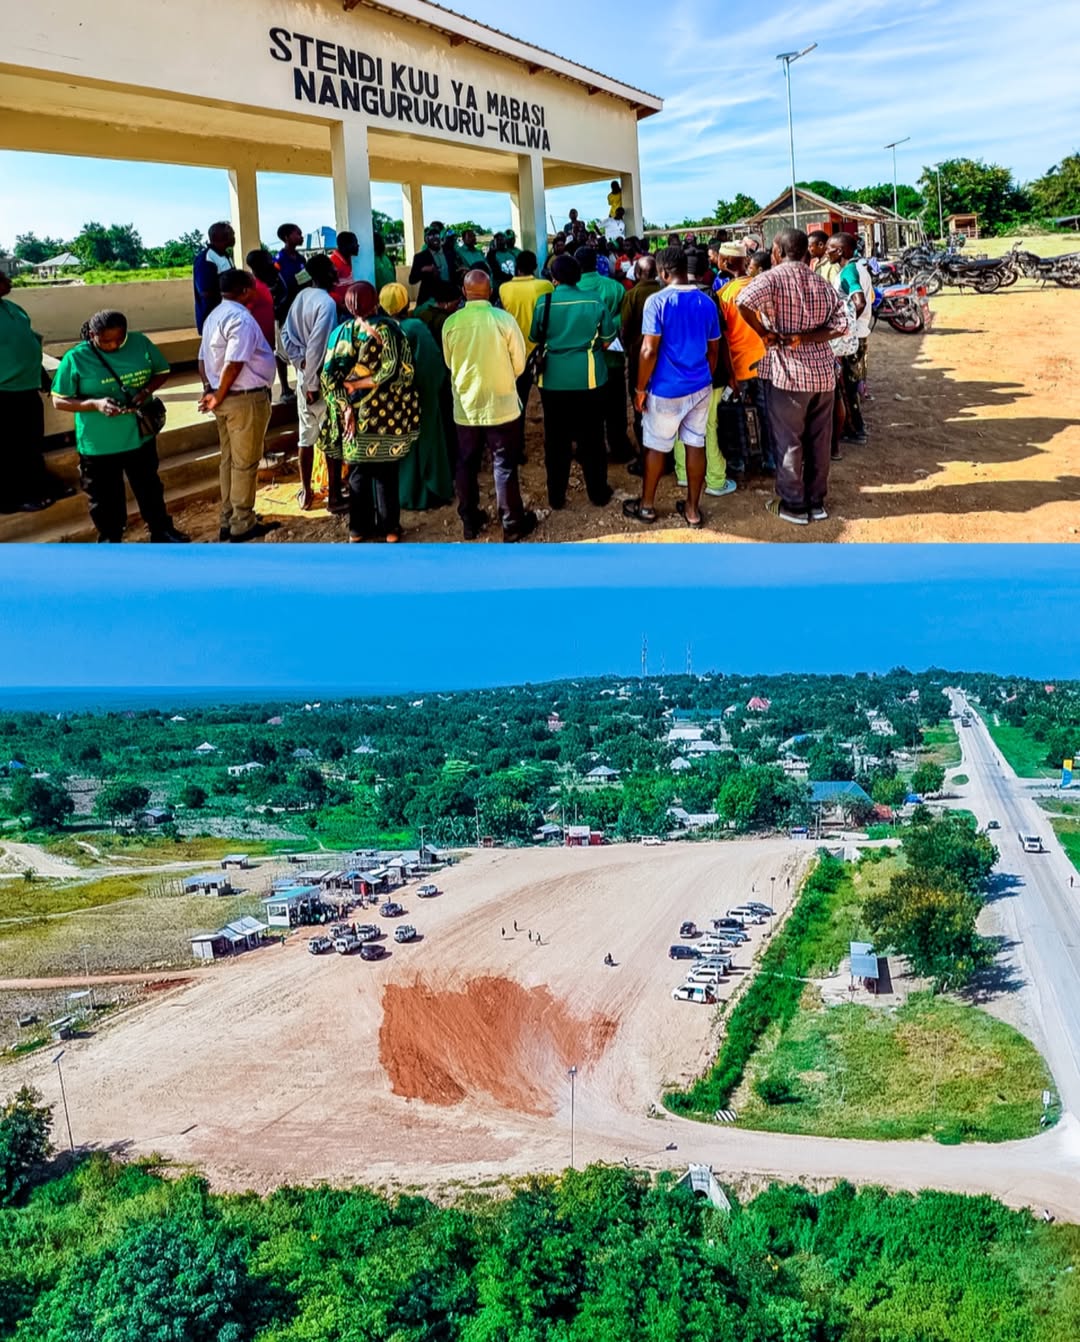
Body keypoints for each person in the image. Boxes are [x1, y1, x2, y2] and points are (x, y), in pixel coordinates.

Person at [736, 228, 849, 526]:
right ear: (805, 252)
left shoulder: (770, 278)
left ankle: (794, 505)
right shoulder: (821, 282)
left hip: (788, 375)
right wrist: (806, 337)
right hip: (823, 375)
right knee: (819, 442)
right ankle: (817, 502)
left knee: (789, 441)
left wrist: (764, 332)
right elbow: (842, 325)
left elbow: (742, 301)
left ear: (777, 252)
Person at [51, 309, 187, 543]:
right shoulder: (76, 358)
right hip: (100, 443)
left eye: (119, 339)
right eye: (106, 341)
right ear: (92, 335)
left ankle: (161, 530)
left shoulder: (139, 342)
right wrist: (95, 404)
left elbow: (161, 371)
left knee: (149, 487)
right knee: (105, 497)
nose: (113, 345)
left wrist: (145, 391)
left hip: (139, 435)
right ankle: (111, 540)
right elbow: (59, 400)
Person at [624, 247, 722, 528]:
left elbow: (648, 351)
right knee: (696, 444)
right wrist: (704, 376)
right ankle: (692, 510)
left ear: (664, 273)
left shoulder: (656, 302)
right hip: (700, 386)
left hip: (665, 390)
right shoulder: (706, 302)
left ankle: (646, 506)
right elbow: (714, 350)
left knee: (656, 446)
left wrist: (640, 389)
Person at [318, 281, 420, 543]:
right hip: (387, 417)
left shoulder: (339, 334)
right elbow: (396, 370)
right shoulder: (389, 330)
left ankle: (357, 530)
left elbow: (328, 377)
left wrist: (345, 406)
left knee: (358, 473)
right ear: (375, 302)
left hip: (353, 417)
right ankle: (390, 530)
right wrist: (363, 383)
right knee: (386, 474)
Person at [441, 269, 536, 542]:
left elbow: (449, 362)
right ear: (491, 291)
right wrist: (503, 378)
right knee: (504, 465)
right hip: (502, 405)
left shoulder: (451, 323)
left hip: (466, 407)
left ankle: (470, 521)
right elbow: (519, 364)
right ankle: (512, 524)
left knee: (466, 464)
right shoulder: (504, 319)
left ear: (464, 292)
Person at [197, 268, 279, 542]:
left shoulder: (214, 316)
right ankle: (242, 523)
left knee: (229, 460)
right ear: (245, 291)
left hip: (226, 399)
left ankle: (229, 517)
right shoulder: (240, 319)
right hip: (244, 399)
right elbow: (234, 363)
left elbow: (202, 359)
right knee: (245, 463)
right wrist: (218, 394)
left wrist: (210, 389)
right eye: (253, 286)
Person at [529, 253, 616, 511]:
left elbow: (535, 336)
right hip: (589, 377)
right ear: (578, 276)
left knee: (556, 440)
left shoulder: (544, 302)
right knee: (593, 438)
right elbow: (608, 340)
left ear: (553, 278)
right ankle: (598, 493)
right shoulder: (594, 300)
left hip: (552, 380)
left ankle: (556, 497)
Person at [378, 282, 453, 512]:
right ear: (404, 302)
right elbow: (432, 365)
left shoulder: (378, 329)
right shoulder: (415, 327)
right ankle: (424, 491)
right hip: (418, 397)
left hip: (388, 401)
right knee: (423, 443)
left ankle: (397, 493)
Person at [0, 271, 68, 514]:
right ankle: (10, 499)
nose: (9, 280)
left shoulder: (13, 309)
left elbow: (28, 344)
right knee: (8, 449)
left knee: (30, 443)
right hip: (3, 391)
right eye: (2, 278)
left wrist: (40, 373)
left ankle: (39, 486)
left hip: (26, 387)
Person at [281, 253, 340, 511]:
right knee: (330, 436)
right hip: (319, 379)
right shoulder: (326, 303)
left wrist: (299, 362)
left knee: (306, 435)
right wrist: (313, 384)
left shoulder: (301, 297)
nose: (336, 274)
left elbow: (285, 334)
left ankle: (306, 492)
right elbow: (318, 346)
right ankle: (334, 496)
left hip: (305, 374)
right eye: (332, 270)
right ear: (323, 274)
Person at [717, 249, 774, 475]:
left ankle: (739, 461)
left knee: (735, 412)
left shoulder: (724, 294)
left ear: (725, 262)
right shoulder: (761, 287)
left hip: (738, 363)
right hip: (763, 360)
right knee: (766, 412)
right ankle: (771, 459)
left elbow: (723, 335)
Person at [574, 247, 633, 463]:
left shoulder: (572, 290)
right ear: (597, 263)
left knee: (586, 411)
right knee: (615, 408)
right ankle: (619, 447)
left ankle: (588, 450)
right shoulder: (615, 287)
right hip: (612, 359)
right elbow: (625, 319)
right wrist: (609, 325)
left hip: (583, 362)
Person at [497, 251, 554, 458]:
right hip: (543, 350)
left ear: (516, 267)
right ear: (535, 266)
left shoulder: (504, 289)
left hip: (515, 352)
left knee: (518, 402)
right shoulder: (545, 286)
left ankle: (517, 447)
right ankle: (554, 445)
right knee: (551, 402)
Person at [827, 233, 875, 446]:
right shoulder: (859, 268)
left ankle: (856, 429)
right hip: (860, 334)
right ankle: (855, 426)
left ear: (840, 251)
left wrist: (845, 326)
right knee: (851, 384)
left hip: (851, 340)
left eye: (830, 249)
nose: (827, 253)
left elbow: (859, 301)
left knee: (848, 387)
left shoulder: (848, 272)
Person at [620, 253, 663, 466]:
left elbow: (625, 329)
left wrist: (629, 348)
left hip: (639, 358)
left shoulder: (632, 295)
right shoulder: (665, 292)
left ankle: (647, 457)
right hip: (665, 359)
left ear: (637, 273)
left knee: (641, 406)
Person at [245, 249, 293, 402]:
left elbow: (283, 294)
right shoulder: (253, 288)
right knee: (263, 371)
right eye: (268, 260)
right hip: (260, 338)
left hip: (276, 326)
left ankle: (281, 390)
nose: (272, 262)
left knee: (277, 358)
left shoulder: (273, 277)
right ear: (259, 265)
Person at [193, 221, 234, 334]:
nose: (233, 237)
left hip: (226, 317)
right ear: (220, 237)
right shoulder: (206, 259)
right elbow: (206, 292)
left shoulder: (225, 255)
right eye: (231, 234)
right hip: (213, 321)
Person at [408, 228, 451, 305]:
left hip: (449, 297)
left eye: (437, 235)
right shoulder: (420, 257)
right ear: (426, 240)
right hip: (430, 300)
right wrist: (423, 270)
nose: (434, 238)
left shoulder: (449, 253)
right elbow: (412, 280)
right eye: (431, 236)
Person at [274, 223, 310, 309]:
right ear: (287, 237)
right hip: (286, 305)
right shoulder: (278, 260)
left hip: (302, 302)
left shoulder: (301, 258)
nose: (302, 237)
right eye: (298, 234)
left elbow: (306, 280)